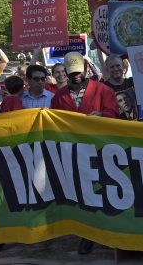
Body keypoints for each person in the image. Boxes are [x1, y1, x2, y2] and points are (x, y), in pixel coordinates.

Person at [50, 52, 117, 255]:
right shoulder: (59, 97)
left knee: (106, 191)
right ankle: (87, 235)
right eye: (72, 74)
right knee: (83, 194)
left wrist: (102, 115)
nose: (76, 76)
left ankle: (111, 232)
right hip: (74, 151)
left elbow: (115, 115)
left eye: (79, 72)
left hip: (101, 149)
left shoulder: (103, 90)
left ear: (87, 70)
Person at [103, 55, 137, 120]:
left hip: (137, 126)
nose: (115, 69)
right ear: (107, 69)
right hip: (117, 128)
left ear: (123, 67)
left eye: (118, 65)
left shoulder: (132, 82)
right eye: (112, 67)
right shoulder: (103, 88)